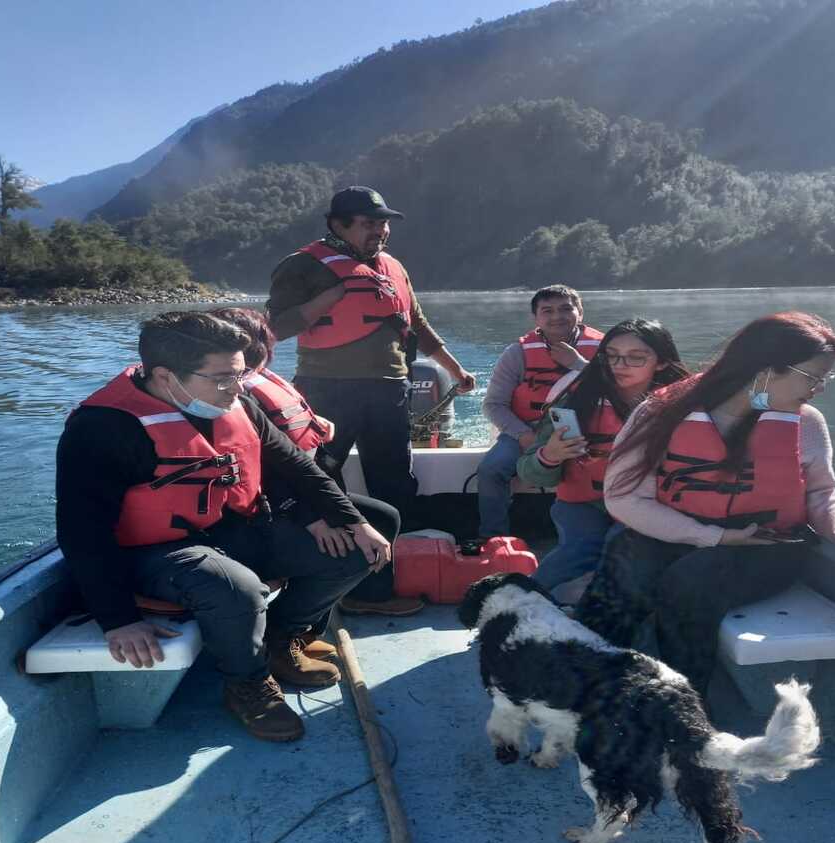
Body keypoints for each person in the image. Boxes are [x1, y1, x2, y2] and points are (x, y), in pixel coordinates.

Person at [56, 311, 393, 743]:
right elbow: (82, 531)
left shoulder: (236, 403)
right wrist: (117, 618)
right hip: (155, 553)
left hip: (230, 529)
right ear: (164, 376)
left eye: (240, 375)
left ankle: (280, 639)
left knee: (362, 541)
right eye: (221, 379)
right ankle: (247, 684)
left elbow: (296, 469)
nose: (236, 389)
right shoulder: (103, 427)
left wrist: (354, 522)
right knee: (234, 587)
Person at [576, 311, 835, 697]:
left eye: (826, 377)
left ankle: (682, 710)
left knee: (691, 581)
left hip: (766, 546)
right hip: (683, 530)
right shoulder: (660, 412)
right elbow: (623, 496)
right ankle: (592, 681)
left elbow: (822, 495)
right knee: (624, 553)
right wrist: (714, 535)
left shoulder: (806, 423)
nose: (821, 388)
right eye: (814, 377)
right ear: (767, 369)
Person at [266, 186, 476, 524]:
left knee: (394, 475)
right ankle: (341, 546)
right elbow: (273, 328)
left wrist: (456, 370)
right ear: (339, 224)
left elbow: (417, 325)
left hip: (389, 388)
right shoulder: (302, 265)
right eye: (369, 223)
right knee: (323, 471)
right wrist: (326, 301)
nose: (380, 231)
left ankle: (401, 542)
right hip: (326, 389)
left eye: (384, 223)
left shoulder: (392, 267)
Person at [210, 306, 424, 617]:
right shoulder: (233, 397)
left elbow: (284, 443)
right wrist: (312, 519)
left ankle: (360, 598)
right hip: (274, 504)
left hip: (302, 486)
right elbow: (260, 471)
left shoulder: (256, 381)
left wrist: (315, 422)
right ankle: (288, 630)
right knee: (349, 549)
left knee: (385, 516)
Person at [516, 319, 689, 594]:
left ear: (662, 362)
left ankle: (603, 613)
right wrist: (550, 455)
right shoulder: (574, 401)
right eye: (611, 356)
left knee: (620, 544)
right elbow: (527, 470)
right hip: (584, 503)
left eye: (635, 358)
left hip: (646, 502)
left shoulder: (683, 407)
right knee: (580, 547)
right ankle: (520, 600)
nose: (619, 365)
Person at [477, 285, 604, 539]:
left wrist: (579, 365)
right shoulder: (517, 353)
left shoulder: (604, 348)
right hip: (529, 430)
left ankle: (599, 536)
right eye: (547, 311)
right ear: (537, 318)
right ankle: (494, 538)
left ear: (580, 313)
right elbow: (493, 405)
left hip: (588, 432)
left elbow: (619, 390)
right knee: (491, 470)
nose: (557, 316)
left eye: (566, 309)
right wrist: (524, 435)